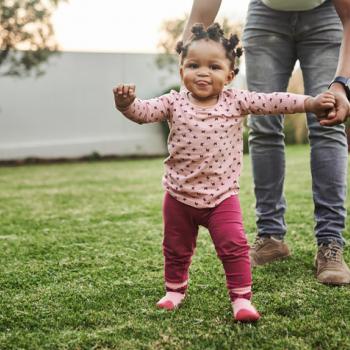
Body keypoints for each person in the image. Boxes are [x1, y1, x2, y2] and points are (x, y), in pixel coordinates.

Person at [113, 23, 335, 322]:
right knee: (175, 248)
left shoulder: (236, 101)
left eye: (214, 66)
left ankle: (242, 299)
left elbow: (273, 101)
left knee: (234, 247)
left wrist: (309, 103)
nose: (203, 72)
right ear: (182, 72)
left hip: (221, 199)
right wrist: (126, 105)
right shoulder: (173, 102)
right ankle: (174, 290)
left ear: (230, 76)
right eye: (194, 65)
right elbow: (144, 113)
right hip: (178, 197)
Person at [183, 0, 350, 285]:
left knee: (328, 121)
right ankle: (270, 237)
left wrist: (341, 83)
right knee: (262, 124)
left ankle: (330, 242)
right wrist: (184, 64)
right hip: (266, 17)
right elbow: (201, 12)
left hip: (327, 15)